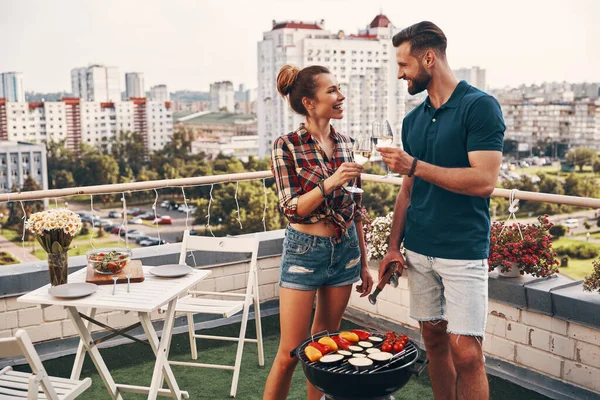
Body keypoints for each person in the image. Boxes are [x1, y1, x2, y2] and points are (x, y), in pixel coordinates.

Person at [377, 22, 505, 400]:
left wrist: (413, 165)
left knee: (466, 353)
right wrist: (392, 246)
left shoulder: (479, 106)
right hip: (418, 249)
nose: (400, 73)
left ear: (428, 58)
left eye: (404, 65)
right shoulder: (411, 121)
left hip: (463, 249)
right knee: (432, 339)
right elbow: (407, 191)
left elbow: (483, 181)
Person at [263, 64, 374, 400]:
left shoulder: (348, 143)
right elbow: (291, 207)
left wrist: (364, 262)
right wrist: (331, 182)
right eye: (332, 91)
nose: (340, 96)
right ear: (310, 103)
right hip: (304, 252)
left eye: (339, 89)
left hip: (345, 251)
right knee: (291, 353)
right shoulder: (286, 145)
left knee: (325, 349)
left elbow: (356, 209)